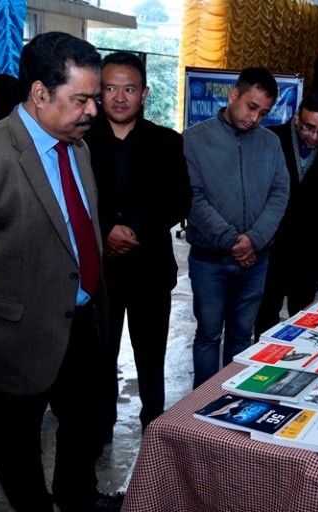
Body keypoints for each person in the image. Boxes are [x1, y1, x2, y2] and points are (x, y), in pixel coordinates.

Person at [0, 32, 124, 512]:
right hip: (13, 336)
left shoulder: (78, 148)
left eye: (95, 98)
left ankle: (77, 497)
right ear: (40, 93)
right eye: (81, 99)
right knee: (19, 440)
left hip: (81, 322)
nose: (94, 111)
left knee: (84, 424)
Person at [83, 52, 191, 437]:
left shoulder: (166, 141)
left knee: (150, 358)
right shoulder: (80, 140)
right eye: (110, 88)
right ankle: (100, 426)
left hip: (150, 270)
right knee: (99, 357)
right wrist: (105, 230)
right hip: (98, 273)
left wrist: (133, 230)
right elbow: (72, 199)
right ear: (99, 92)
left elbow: (179, 199)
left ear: (144, 93)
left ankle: (153, 428)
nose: (119, 97)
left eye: (129, 89)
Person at [183, 67, 289, 388]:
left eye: (264, 112)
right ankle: (201, 404)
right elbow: (192, 198)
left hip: (256, 262)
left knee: (242, 335)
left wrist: (253, 240)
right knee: (208, 336)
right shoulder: (194, 140)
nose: (255, 118)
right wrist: (232, 241)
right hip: (210, 262)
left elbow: (279, 193)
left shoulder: (270, 143)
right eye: (251, 106)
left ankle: (232, 401)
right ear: (233, 95)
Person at [254, 92, 318, 338]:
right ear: (297, 116)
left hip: (311, 248)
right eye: (309, 128)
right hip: (270, 248)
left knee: (304, 322)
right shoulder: (269, 139)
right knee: (265, 315)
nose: (314, 137)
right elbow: (257, 192)